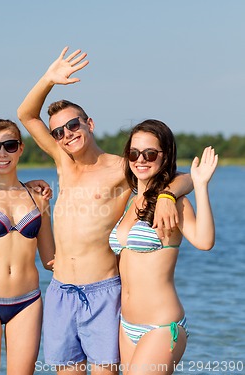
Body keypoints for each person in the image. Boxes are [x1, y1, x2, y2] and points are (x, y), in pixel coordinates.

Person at [17, 48, 193, 374]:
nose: (66, 134)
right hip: (60, 291)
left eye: (73, 125)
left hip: (102, 292)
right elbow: (26, 114)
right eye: (59, 131)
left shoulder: (122, 167)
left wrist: (168, 196)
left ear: (90, 123)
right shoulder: (62, 162)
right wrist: (48, 80)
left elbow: (183, 176)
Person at [110, 120, 217, 374]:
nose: (140, 160)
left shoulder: (174, 203)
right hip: (126, 326)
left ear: (164, 156)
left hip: (161, 326)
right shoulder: (128, 202)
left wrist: (200, 186)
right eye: (134, 153)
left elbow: (204, 241)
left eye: (150, 154)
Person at [0, 119, 55, 374]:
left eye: (10, 145)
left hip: (27, 301)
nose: (2, 153)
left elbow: (50, 258)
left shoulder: (38, 197)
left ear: (21, 148)